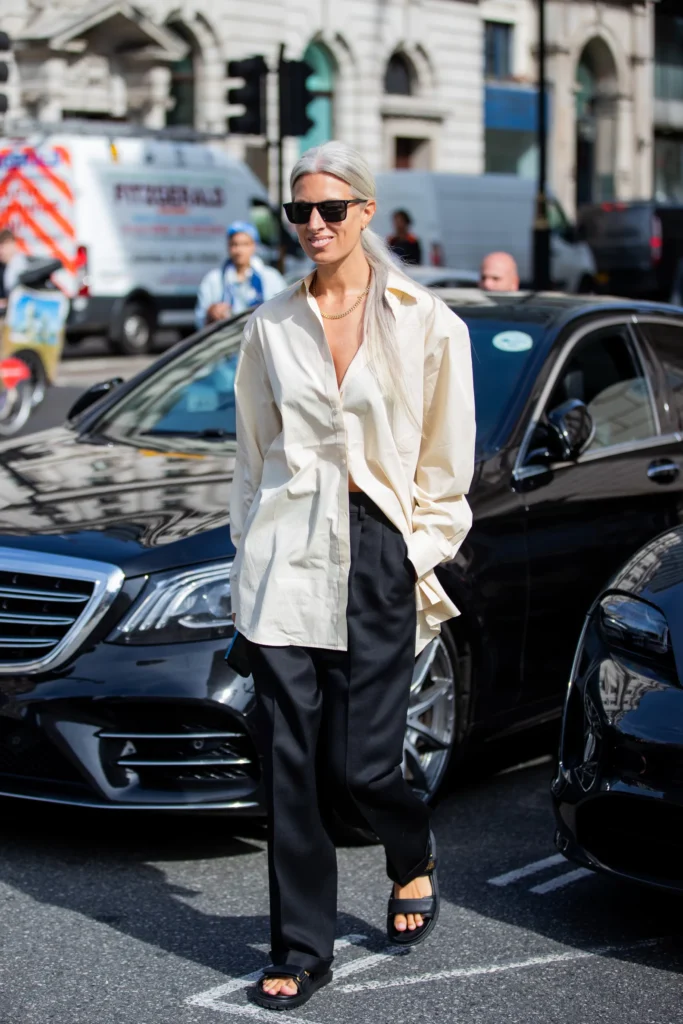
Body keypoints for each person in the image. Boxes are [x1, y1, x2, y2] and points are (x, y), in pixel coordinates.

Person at [229, 141, 475, 1012]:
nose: (316, 226)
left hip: (375, 551)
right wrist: (245, 560)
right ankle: (301, 945)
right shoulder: (269, 325)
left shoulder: (426, 320)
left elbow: (446, 467)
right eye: (301, 213)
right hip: (284, 555)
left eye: (333, 209)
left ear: (367, 212)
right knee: (290, 765)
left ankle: (411, 856)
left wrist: (414, 550)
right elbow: (252, 459)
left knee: (363, 767)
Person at [194, 221, 286, 330]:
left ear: (254, 246)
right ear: (228, 247)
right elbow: (199, 320)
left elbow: (285, 312)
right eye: (234, 244)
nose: (239, 250)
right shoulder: (213, 280)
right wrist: (211, 315)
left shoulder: (271, 277)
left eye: (245, 244)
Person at [0, 229, 29, 310]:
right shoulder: (4, 267)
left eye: (2, 246)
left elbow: (20, 295)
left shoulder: (20, 265)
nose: (0, 251)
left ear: (12, 244)